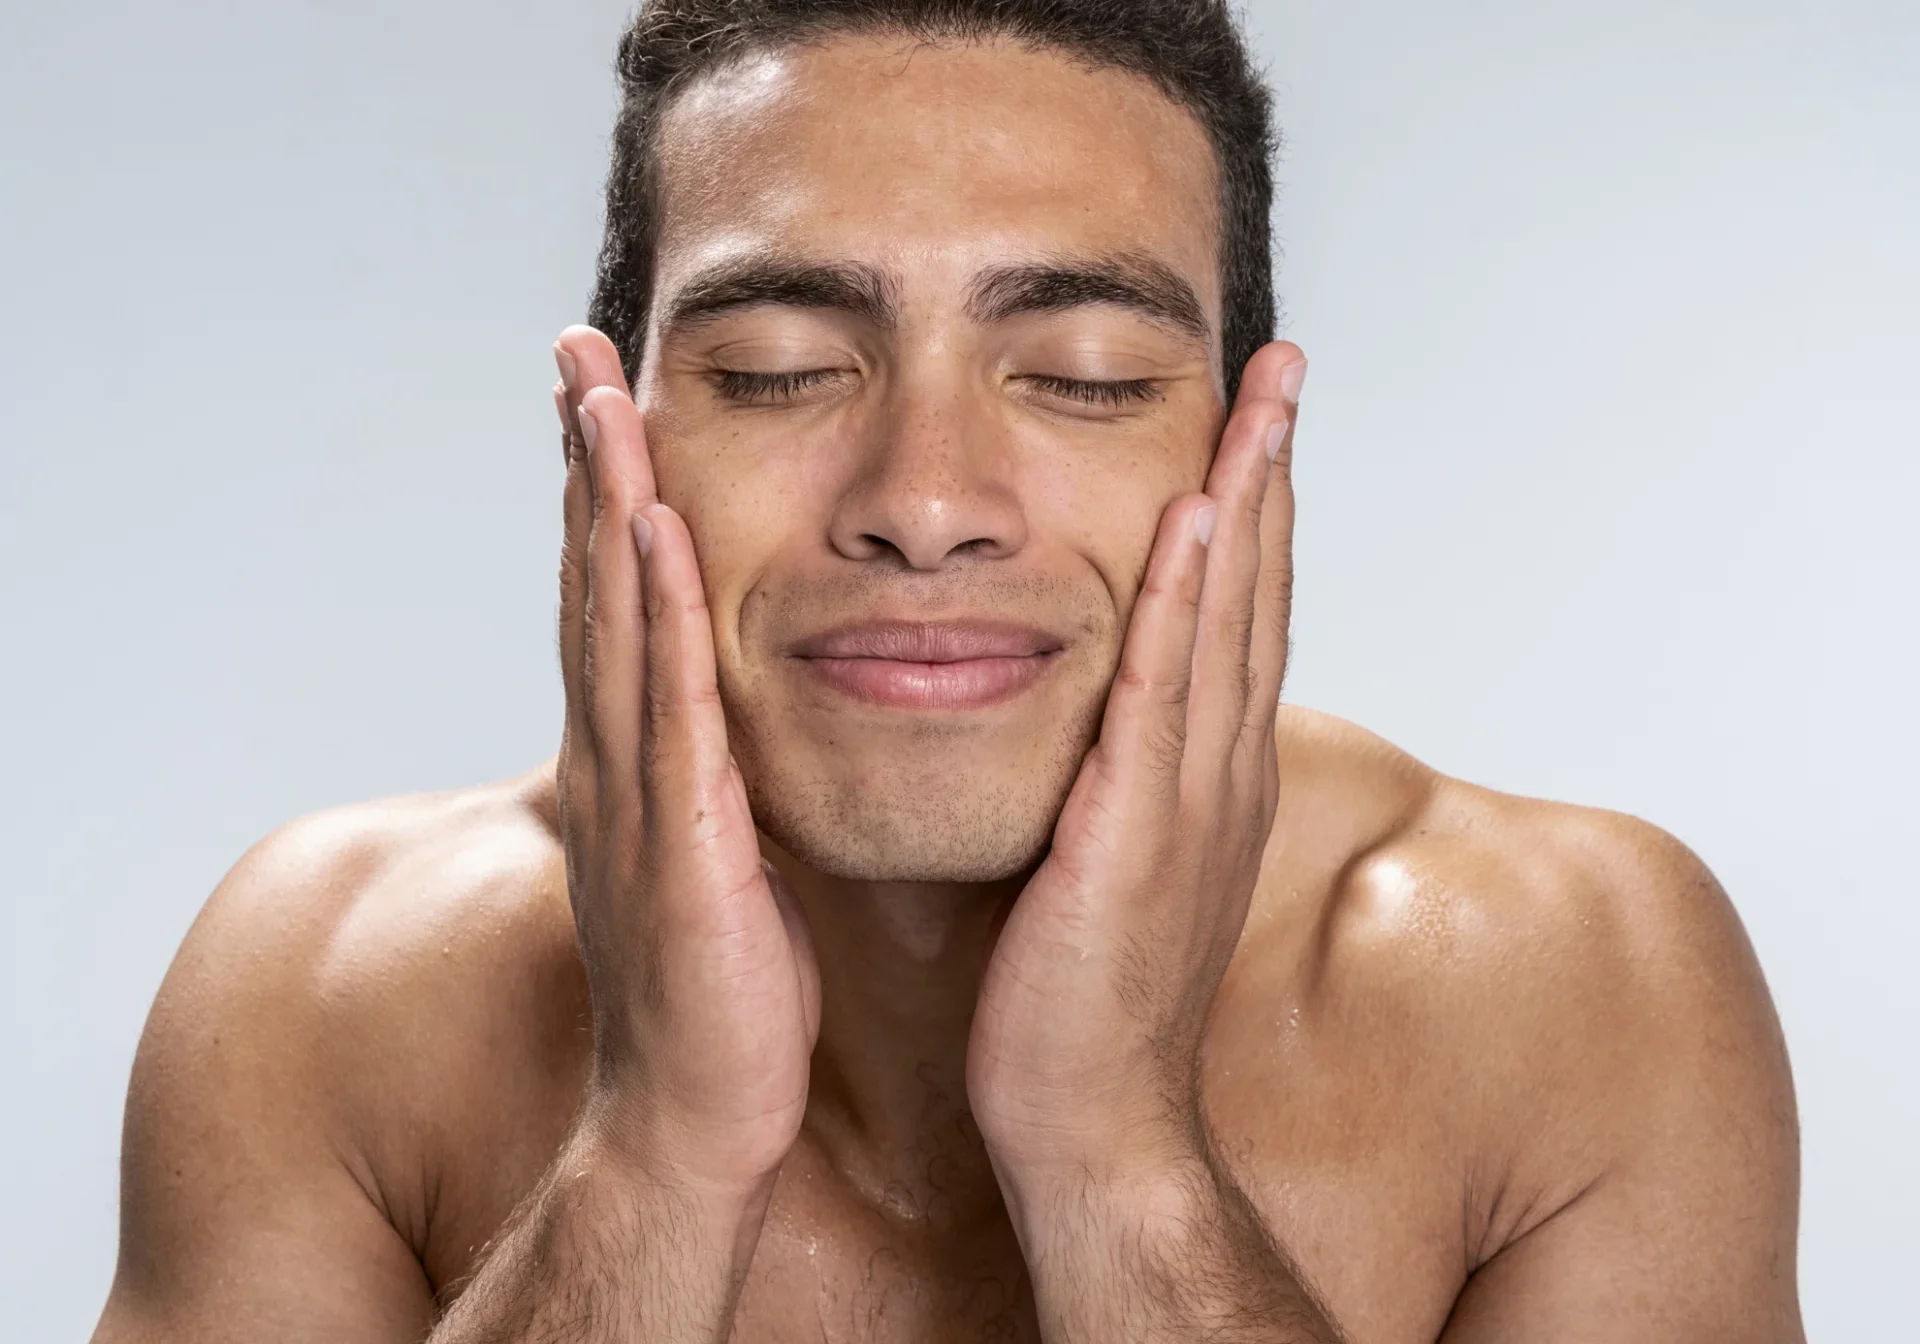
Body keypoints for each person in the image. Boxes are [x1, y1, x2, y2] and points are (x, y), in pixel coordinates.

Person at [91, 2, 1803, 1340]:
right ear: (612, 443)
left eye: (1081, 372)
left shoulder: (1576, 986)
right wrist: (655, 1158)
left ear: (1244, 453)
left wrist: (1117, 1153)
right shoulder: (326, 987)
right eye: (775, 368)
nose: (925, 504)